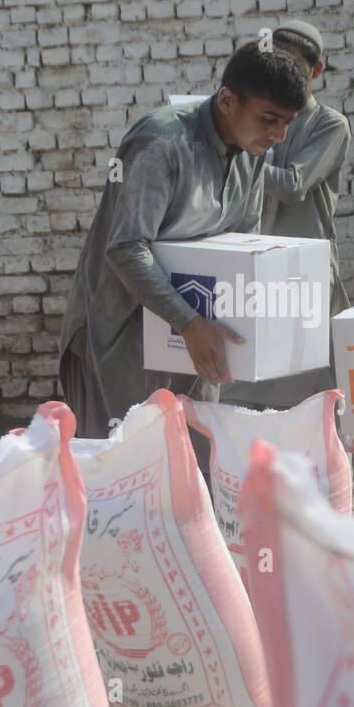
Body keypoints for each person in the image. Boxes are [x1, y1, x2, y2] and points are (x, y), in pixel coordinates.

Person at [58, 41, 310, 438]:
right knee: (128, 469)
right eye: (268, 118)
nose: (278, 134)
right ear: (228, 100)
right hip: (121, 337)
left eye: (287, 122)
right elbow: (126, 247)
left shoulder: (254, 151)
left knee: (195, 462)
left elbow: (240, 247)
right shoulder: (162, 143)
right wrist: (189, 323)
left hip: (198, 335)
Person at [222, 20, 352, 410]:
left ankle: (329, 461)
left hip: (305, 269)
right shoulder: (254, 121)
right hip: (258, 267)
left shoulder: (330, 125)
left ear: (316, 71)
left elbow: (294, 183)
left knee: (313, 383)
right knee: (252, 379)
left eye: (295, 67)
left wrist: (240, 147)